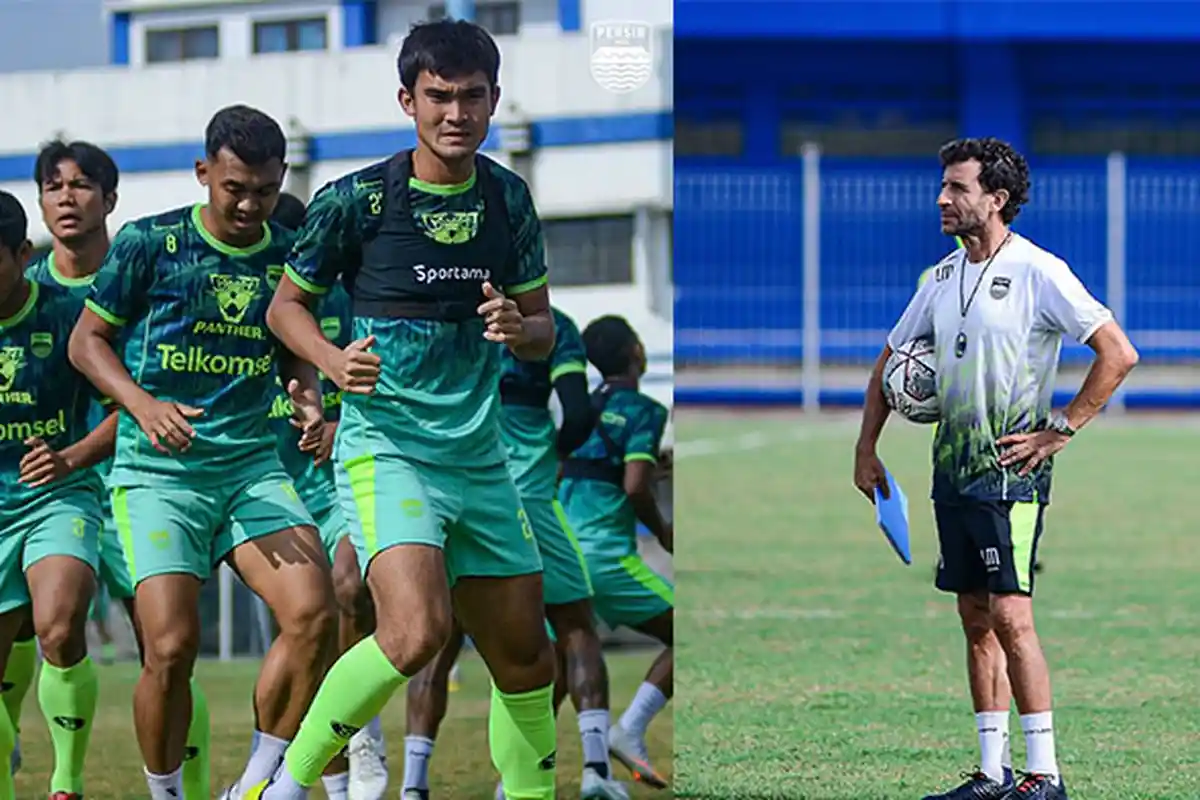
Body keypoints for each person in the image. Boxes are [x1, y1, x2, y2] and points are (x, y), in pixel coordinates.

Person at [253, 18, 560, 799]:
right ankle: (283, 786)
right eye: (439, 96)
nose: (456, 113)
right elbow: (286, 308)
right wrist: (331, 361)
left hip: (480, 457)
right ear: (407, 101)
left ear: (494, 101)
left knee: (528, 658)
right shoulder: (356, 200)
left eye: (472, 96)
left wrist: (518, 327)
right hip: (389, 449)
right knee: (415, 631)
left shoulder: (508, 198)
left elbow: (543, 331)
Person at [853, 137, 1140, 800]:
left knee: (1011, 615)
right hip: (951, 474)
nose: (942, 199)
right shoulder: (941, 278)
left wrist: (1060, 429)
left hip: (1011, 478)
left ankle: (1046, 775)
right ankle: (991, 773)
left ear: (996, 198)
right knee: (974, 617)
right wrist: (866, 449)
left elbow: (1117, 353)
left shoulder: (1040, 271)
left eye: (957, 188)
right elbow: (889, 361)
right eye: (943, 186)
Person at [67, 105, 338, 800]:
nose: (249, 205)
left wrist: (308, 401)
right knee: (170, 647)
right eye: (234, 189)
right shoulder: (148, 243)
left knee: (315, 615)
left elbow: (292, 348)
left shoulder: (288, 254)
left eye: (265, 191)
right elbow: (86, 343)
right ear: (202, 173)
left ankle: (254, 784)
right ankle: (167, 794)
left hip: (250, 467)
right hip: (159, 475)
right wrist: (143, 405)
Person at [17, 138, 215, 800]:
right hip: (45, 498)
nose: (66, 198)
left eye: (81, 185)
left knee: (165, 650)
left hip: (132, 482)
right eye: (53, 187)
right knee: (41, 631)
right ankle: (54, 774)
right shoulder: (25, 289)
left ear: (110, 198)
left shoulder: (142, 281)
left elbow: (152, 390)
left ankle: (190, 787)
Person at [402, 305, 629, 800]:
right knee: (574, 625)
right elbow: (577, 413)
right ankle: (595, 771)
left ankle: (413, 785)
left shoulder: (451, 313)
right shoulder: (555, 327)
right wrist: (558, 453)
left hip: (452, 489)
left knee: (440, 641)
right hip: (524, 493)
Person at [256, 195, 385, 800]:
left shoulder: (346, 299)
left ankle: (364, 735)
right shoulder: (240, 308)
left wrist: (339, 424)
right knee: (303, 635)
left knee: (350, 587)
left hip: (341, 476)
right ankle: (323, 781)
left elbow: (383, 380)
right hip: (269, 485)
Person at [0, 189, 118, 800]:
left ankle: (66, 781)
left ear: (23, 254)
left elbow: (128, 407)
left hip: (57, 496)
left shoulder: (72, 318)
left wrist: (70, 457)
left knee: (60, 624)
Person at [558, 315, 673, 790]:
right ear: (636, 353)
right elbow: (634, 487)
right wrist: (664, 532)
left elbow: (578, 468)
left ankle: (519, 778)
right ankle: (630, 728)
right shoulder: (645, 410)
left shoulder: (577, 409)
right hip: (606, 558)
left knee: (553, 669)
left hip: (562, 554)